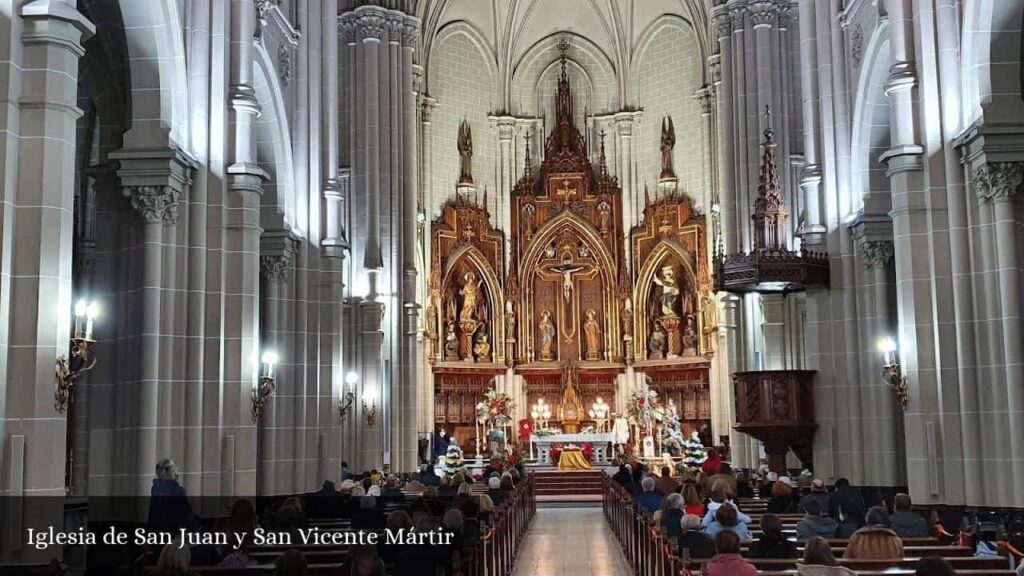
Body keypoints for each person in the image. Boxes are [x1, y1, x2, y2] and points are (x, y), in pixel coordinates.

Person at [148, 458, 192, 534]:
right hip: (173, 529)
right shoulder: (177, 490)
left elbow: (152, 513)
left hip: (157, 529)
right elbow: (185, 513)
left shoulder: (155, 489)